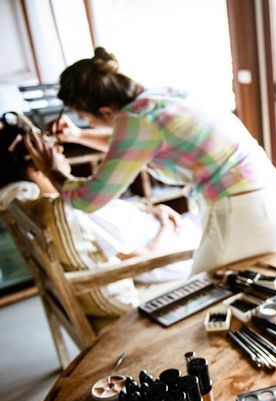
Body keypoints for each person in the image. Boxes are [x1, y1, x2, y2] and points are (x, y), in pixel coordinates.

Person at [27, 47, 276, 275]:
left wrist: (52, 170)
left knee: (207, 299)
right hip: (265, 199)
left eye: (85, 118)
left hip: (241, 212)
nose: (86, 124)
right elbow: (130, 145)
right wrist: (78, 135)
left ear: (106, 110)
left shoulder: (134, 121)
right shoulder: (159, 98)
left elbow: (88, 200)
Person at [0, 112, 200, 283]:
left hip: (169, 230)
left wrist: (153, 209)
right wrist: (166, 224)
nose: (60, 149)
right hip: (175, 250)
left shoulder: (68, 198)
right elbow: (142, 261)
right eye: (51, 147)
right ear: (36, 167)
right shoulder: (73, 207)